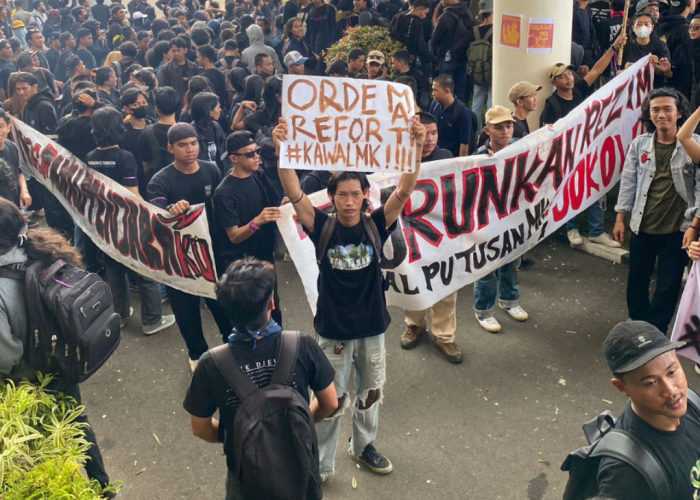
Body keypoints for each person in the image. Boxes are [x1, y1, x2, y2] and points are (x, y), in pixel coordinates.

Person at [272, 115, 427, 481]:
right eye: (342, 194)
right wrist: (283, 152)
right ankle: (321, 463)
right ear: (331, 197)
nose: (349, 201)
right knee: (333, 400)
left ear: (365, 196)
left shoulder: (376, 223)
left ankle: (363, 446)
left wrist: (417, 146)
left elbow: (404, 190)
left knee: (371, 392)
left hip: (372, 327)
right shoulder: (321, 227)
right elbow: (294, 193)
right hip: (334, 331)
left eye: (355, 194)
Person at [183, 257, 337, 500]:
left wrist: (236, 436)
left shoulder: (211, 363)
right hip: (298, 462)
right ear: (271, 303)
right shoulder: (301, 344)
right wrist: (301, 423)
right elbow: (330, 403)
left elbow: (200, 428)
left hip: (244, 473)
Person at [0, 198, 116, 499]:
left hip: (25, 382)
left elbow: (6, 355)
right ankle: (102, 487)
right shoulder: (41, 249)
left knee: (38, 445)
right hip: (63, 361)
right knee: (76, 424)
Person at [612, 88, 699, 335]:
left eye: (667, 109)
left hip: (678, 229)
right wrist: (620, 217)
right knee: (638, 277)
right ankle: (638, 322)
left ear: (680, 112)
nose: (661, 114)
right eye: (655, 109)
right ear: (648, 114)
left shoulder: (694, 146)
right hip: (643, 225)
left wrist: (694, 225)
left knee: (669, 284)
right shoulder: (640, 145)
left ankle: (656, 329)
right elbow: (628, 182)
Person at [147, 122, 231, 372]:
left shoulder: (211, 170)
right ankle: (197, 354)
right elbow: (156, 212)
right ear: (170, 148)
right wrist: (171, 211)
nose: (190, 149)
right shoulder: (160, 180)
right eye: (182, 145)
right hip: (178, 258)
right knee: (186, 311)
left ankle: (233, 346)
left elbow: (222, 204)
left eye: (193, 143)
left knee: (223, 303)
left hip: (212, 254)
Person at [86, 107, 176, 335]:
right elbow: (132, 195)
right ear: (119, 128)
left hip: (104, 224)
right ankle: (152, 320)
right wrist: (153, 215)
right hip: (129, 224)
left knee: (115, 272)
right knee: (145, 272)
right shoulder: (124, 157)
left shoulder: (91, 157)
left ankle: (121, 314)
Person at [596, 321, 700, 499]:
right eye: (651, 382)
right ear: (622, 387)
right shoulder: (625, 474)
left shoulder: (691, 403)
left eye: (672, 372)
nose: (671, 390)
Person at [540, 36, 627, 249]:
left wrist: (613, 48)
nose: (568, 78)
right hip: (567, 154)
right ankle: (572, 227)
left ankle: (597, 231)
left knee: (596, 186)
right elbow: (545, 132)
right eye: (562, 76)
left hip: (590, 148)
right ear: (554, 82)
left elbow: (597, 70)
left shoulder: (579, 89)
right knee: (572, 189)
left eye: (569, 73)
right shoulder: (551, 103)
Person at [401, 112, 460, 362]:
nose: (430, 139)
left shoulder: (446, 157)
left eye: (434, 133)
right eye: (424, 134)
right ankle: (414, 324)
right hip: (409, 234)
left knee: (445, 284)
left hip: (442, 233)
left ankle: (445, 336)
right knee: (412, 280)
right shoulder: (401, 159)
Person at [213, 130, 282, 320]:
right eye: (250, 154)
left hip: (264, 256)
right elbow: (233, 236)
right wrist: (257, 221)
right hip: (242, 266)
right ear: (233, 158)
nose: (256, 157)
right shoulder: (224, 193)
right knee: (251, 317)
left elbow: (271, 205)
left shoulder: (258, 175)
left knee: (273, 310)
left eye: (256, 152)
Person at [470, 106, 528, 333]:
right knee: (486, 268)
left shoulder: (519, 149)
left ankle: (509, 301)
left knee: (512, 262)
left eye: (509, 126)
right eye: (498, 127)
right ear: (487, 130)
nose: (505, 131)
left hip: (513, 218)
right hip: (487, 221)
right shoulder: (478, 158)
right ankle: (483, 310)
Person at [431, 0, 473, 101]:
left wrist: (437, 55)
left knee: (444, 88)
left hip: (446, 57)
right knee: (460, 89)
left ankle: (444, 112)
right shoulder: (467, 13)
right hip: (463, 56)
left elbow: (435, 39)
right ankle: (459, 110)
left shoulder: (445, 17)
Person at [140, 86, 180, 183]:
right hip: (181, 181)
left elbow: (146, 166)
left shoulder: (147, 132)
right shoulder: (185, 131)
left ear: (157, 108)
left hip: (156, 183)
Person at [621, 12, 672, 87]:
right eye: (639, 24)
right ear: (633, 28)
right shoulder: (626, 46)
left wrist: (654, 65)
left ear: (652, 27)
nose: (643, 27)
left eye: (646, 24)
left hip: (655, 89)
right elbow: (617, 72)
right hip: (632, 88)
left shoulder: (660, 46)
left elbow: (666, 72)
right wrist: (627, 70)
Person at [429, 74, 475, 157]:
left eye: (435, 90)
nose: (432, 93)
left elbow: (464, 143)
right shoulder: (434, 105)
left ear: (447, 91)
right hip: (436, 156)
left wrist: (461, 166)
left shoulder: (463, 112)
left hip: (453, 158)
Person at [120, 86, 151, 196]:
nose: (141, 107)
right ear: (127, 109)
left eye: (144, 103)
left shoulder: (153, 126)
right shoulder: (122, 132)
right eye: (136, 105)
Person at [190, 91, 228, 175]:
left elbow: (224, 152)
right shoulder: (190, 134)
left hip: (220, 175)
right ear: (210, 112)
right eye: (218, 107)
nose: (220, 110)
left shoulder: (217, 127)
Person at [0, 108, 30, 209]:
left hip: (15, 206)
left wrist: (24, 191)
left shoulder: (12, 146)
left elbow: (19, 173)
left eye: (1, 126)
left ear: (8, 128)